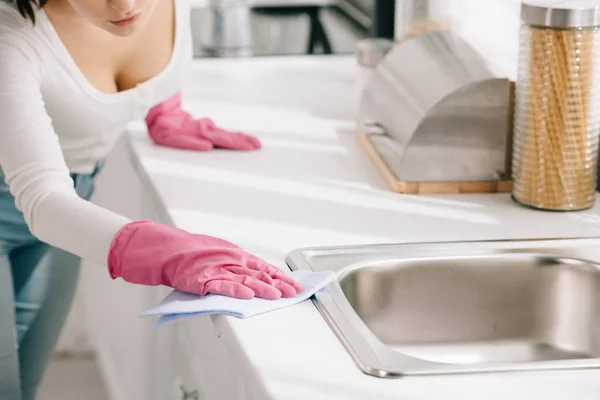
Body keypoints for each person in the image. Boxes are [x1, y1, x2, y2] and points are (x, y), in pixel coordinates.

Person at [0, 0, 303, 399]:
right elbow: (41, 196)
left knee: (23, 389)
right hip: (46, 204)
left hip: (67, 207)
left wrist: (161, 106)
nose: (124, 4)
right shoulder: (12, 35)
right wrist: (169, 253)